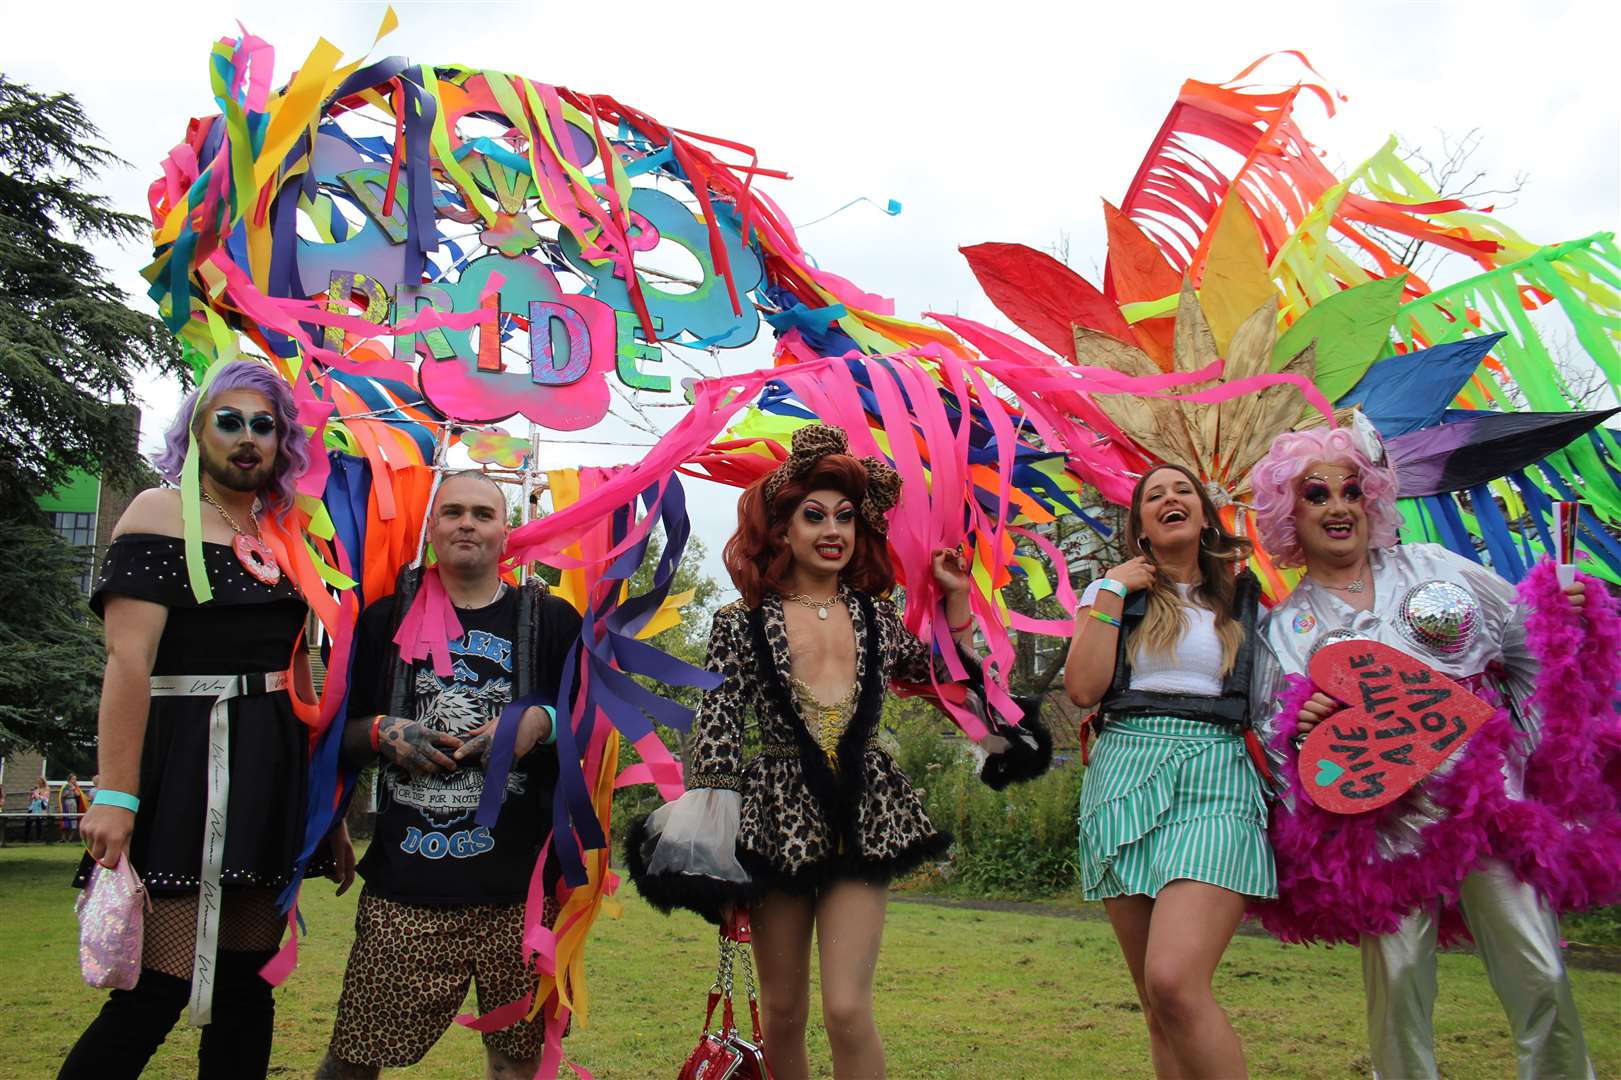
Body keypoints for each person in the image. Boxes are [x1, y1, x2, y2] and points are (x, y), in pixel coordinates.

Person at [626, 424, 1022, 1080]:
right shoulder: (740, 623)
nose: (831, 530)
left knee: (845, 1008)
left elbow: (947, 678)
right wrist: (712, 856)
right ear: (781, 530)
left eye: (844, 517)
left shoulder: (875, 616)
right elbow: (717, 729)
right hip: (775, 817)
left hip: (864, 813)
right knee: (782, 1010)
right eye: (813, 516)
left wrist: (954, 600)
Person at [1252, 424, 1599, 1080]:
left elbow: (1528, 644)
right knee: (1398, 987)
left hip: (1487, 810)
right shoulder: (1284, 630)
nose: (1337, 506)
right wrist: (1303, 722)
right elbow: (1273, 738)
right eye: (1315, 494)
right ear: (1287, 516)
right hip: (1386, 825)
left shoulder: (1435, 566)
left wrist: (1522, 742)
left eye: (1350, 490)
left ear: (1371, 500)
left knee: (1540, 972)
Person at [60, 359, 354, 1080]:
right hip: (185, 763)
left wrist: (329, 808)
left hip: (269, 765)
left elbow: (304, 668)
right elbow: (129, 662)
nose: (248, 438)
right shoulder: (158, 511)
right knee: (157, 986)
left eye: (264, 424)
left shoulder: (291, 531)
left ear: (283, 441)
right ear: (196, 432)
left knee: (246, 986)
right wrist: (116, 793)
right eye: (230, 422)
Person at [317, 469, 583, 1080]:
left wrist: (536, 723)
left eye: (483, 514)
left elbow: (591, 728)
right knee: (353, 1056)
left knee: (517, 1060)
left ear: (506, 531)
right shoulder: (383, 621)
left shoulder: (550, 622)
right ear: (431, 528)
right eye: (453, 512)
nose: (467, 523)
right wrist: (383, 732)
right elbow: (335, 734)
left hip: (522, 893)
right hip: (405, 887)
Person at [1063, 463, 1275, 1080]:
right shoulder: (1111, 595)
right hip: (1122, 776)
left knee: (1175, 981)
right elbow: (1082, 688)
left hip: (1215, 775)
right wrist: (1109, 590)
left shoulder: (1243, 599)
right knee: (1158, 1005)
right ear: (1141, 528)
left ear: (1205, 514)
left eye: (1182, 491)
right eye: (1154, 496)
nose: (1169, 499)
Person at [59, 774, 87, 842]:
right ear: (69, 779)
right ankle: (63, 838)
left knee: (73, 819)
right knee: (65, 820)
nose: (75, 780)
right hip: (66, 804)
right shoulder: (65, 786)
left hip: (73, 803)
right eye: (73, 779)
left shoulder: (76, 787)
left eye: (75, 779)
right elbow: (63, 795)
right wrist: (67, 792)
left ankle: (70, 838)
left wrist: (74, 789)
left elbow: (78, 795)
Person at [28, 777, 51, 843]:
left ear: (43, 782)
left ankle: (38, 838)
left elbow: (45, 798)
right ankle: (27, 837)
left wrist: (38, 796)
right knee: (28, 820)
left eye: (40, 781)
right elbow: (33, 797)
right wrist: (34, 795)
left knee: (39, 822)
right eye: (38, 782)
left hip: (41, 807)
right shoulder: (37, 789)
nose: (38, 783)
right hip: (34, 807)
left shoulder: (47, 789)